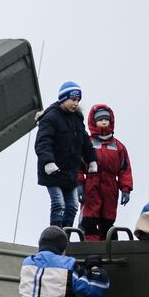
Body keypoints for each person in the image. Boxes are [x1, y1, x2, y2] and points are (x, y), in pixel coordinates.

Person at [34, 82, 98, 228]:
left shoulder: (77, 118)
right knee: (59, 204)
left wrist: (92, 159)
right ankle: (54, 237)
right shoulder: (51, 117)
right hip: (53, 171)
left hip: (70, 172)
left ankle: (64, 238)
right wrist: (48, 162)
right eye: (73, 100)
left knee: (73, 206)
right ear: (63, 98)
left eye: (78, 100)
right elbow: (43, 142)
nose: (76, 104)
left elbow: (85, 140)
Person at [77, 103, 134, 240]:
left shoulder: (118, 146)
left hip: (110, 186)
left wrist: (125, 189)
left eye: (106, 119)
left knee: (108, 220)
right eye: (100, 119)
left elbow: (124, 169)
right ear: (94, 121)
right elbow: (78, 165)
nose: (103, 121)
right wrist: (79, 184)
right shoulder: (87, 143)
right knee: (90, 219)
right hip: (91, 185)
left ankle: (109, 248)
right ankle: (91, 249)